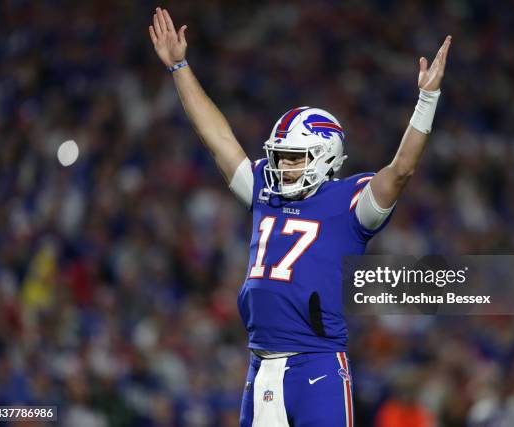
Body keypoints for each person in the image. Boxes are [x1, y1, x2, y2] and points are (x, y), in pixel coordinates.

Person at [149, 7, 451, 426]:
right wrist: (180, 66)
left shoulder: (349, 203)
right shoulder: (265, 191)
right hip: (260, 365)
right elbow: (218, 139)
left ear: (325, 158)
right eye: (281, 157)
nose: (283, 166)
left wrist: (427, 99)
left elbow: (401, 170)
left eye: (294, 158)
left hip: (317, 366)